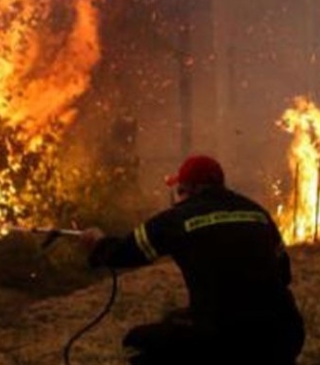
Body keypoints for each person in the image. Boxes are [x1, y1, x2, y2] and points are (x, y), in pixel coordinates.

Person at [80, 154, 305, 364]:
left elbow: (126, 252)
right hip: (284, 334)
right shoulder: (257, 213)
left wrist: (99, 243)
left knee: (137, 342)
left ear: (190, 188)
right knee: (176, 319)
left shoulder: (177, 218)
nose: (179, 194)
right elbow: (284, 273)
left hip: (227, 337)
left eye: (180, 189)